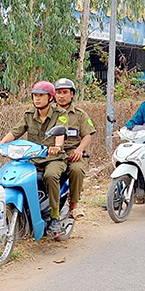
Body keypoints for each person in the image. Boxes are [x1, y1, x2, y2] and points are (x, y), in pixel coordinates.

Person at [0, 81, 66, 233]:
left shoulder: (61, 114)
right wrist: (0, 143)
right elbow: (15, 132)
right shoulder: (28, 115)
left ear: (50, 98)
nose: (37, 99)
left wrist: (56, 147)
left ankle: (55, 216)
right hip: (32, 159)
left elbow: (61, 134)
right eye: (35, 95)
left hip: (53, 159)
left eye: (41, 96)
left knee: (50, 175)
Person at [52, 78, 95, 217]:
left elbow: (87, 135)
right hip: (51, 151)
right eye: (58, 92)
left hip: (71, 152)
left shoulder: (80, 114)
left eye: (65, 92)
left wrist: (79, 150)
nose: (61, 96)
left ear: (72, 94)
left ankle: (73, 205)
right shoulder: (48, 111)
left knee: (77, 170)